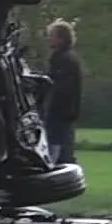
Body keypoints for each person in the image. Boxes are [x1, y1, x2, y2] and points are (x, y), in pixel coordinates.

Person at [46, 20, 83, 165]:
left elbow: (60, 88)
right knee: (65, 151)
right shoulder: (69, 58)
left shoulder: (63, 60)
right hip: (67, 114)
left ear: (61, 38)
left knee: (56, 150)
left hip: (59, 114)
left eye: (51, 36)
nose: (49, 39)